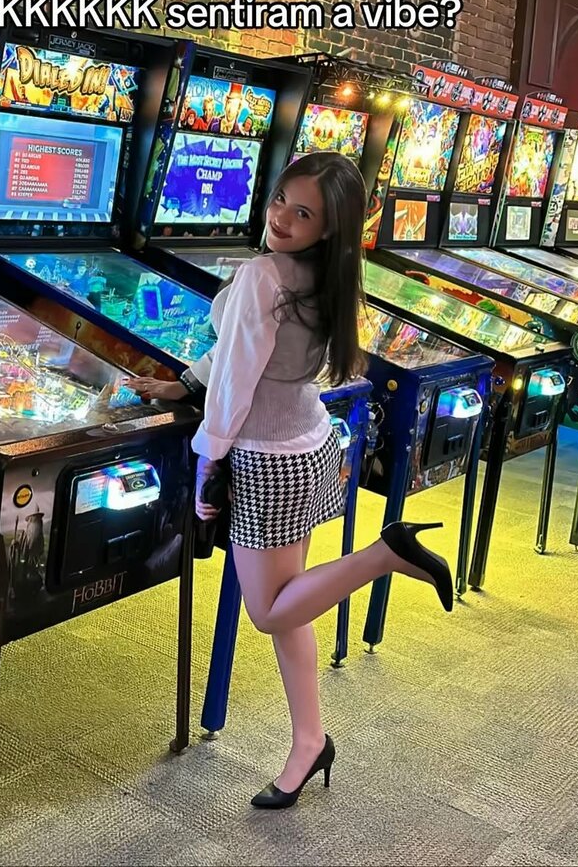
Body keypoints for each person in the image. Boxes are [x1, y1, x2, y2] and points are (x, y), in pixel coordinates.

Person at [126, 152, 452, 809]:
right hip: (309, 445)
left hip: (267, 459)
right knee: (291, 605)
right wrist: (186, 382)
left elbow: (237, 380)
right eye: (280, 200)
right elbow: (239, 352)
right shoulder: (324, 275)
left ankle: (388, 554)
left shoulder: (262, 275)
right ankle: (310, 741)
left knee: (268, 610)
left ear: (328, 227)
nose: (281, 218)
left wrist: (208, 460)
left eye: (303, 213)